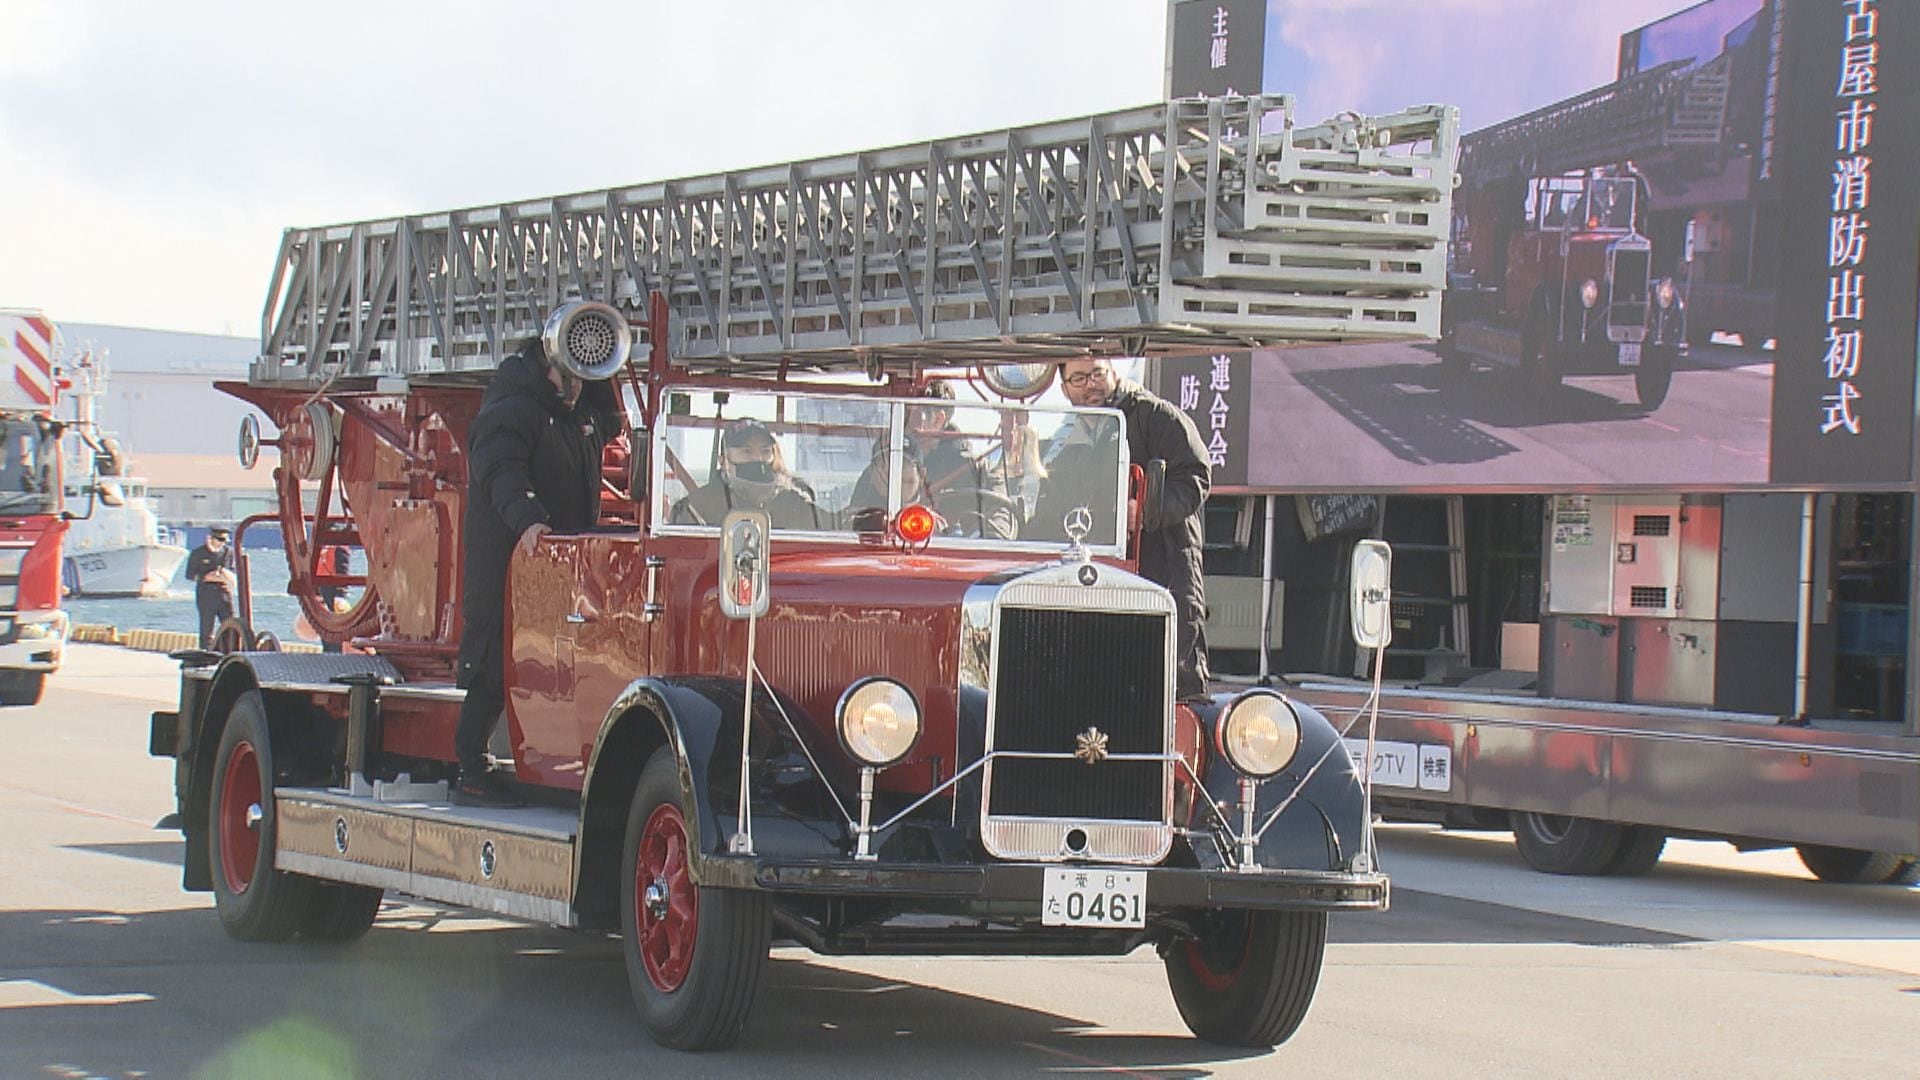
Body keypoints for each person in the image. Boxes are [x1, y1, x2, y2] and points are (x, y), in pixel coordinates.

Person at [455, 335, 622, 808]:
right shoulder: (510, 409)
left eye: (580, 382)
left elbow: (614, 425)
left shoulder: (579, 414)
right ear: (547, 367)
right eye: (568, 380)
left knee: (554, 656)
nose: (574, 390)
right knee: (493, 658)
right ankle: (470, 768)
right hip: (507, 556)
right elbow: (500, 471)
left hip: (556, 560)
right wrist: (529, 521)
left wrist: (600, 374)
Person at [1058, 358, 1213, 700]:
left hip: (1166, 568)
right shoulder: (1069, 438)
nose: (1090, 385)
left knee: (1173, 684)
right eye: (1078, 378)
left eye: (1097, 373)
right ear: (1065, 388)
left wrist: (1145, 512)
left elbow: (1197, 476)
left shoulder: (1155, 415)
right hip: (1101, 578)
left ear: (1114, 372)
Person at [669, 419, 828, 531]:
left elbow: (828, 528)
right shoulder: (695, 508)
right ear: (723, 461)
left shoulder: (794, 502)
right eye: (746, 451)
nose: (758, 459)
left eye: (765, 451)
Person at [185, 527, 237, 649]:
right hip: (206, 595)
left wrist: (225, 576)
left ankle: (227, 652)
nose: (223, 543)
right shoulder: (198, 553)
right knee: (206, 629)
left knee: (230, 625)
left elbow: (233, 570)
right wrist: (206, 577)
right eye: (220, 539)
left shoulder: (228, 553)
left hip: (224, 594)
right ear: (211, 538)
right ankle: (205, 654)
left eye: (225, 540)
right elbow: (190, 575)